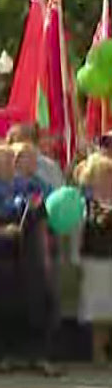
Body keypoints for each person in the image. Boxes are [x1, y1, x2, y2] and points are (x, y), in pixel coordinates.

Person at [0, 143, 57, 374]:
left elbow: (41, 226)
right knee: (2, 308)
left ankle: (37, 356)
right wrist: (0, 232)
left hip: (28, 258)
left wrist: (45, 256)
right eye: (2, 163)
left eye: (11, 161)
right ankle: (6, 356)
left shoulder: (30, 190)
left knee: (36, 305)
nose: (9, 166)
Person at [76, 154, 112, 361]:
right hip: (95, 260)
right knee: (99, 311)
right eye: (105, 174)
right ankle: (98, 356)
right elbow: (87, 228)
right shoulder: (85, 203)